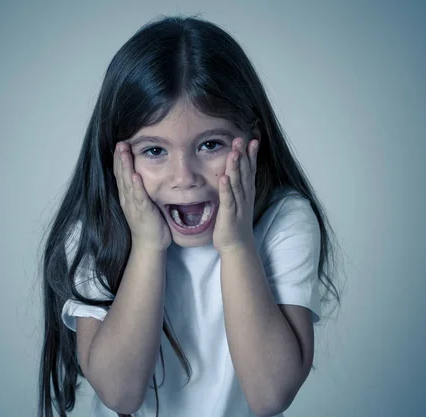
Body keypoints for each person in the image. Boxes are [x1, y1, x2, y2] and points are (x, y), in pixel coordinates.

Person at [37, 15, 342, 417]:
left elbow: (270, 395)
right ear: (117, 155)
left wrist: (235, 245)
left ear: (252, 142)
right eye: (155, 151)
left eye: (211, 144)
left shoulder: (283, 220)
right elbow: (120, 394)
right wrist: (147, 247)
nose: (185, 178)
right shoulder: (96, 228)